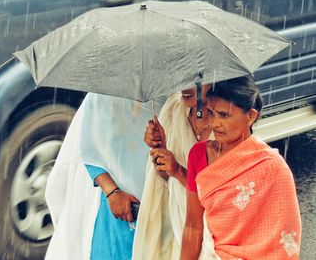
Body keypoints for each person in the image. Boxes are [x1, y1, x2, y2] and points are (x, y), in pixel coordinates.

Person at [181, 76, 302, 260]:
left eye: (224, 115)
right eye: (211, 112)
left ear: (251, 116)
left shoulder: (272, 167)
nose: (214, 123)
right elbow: (192, 226)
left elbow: (284, 238)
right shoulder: (198, 155)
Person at [44, 93, 163, 260]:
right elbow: (89, 149)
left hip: (156, 209)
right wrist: (112, 192)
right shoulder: (101, 94)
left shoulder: (167, 98)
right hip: (113, 209)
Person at [132, 85, 212, 259]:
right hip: (178, 228)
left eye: (194, 79)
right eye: (182, 76)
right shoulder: (172, 109)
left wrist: (179, 171)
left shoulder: (227, 122)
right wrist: (161, 152)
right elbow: (167, 181)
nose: (185, 86)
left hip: (214, 235)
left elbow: (221, 193)